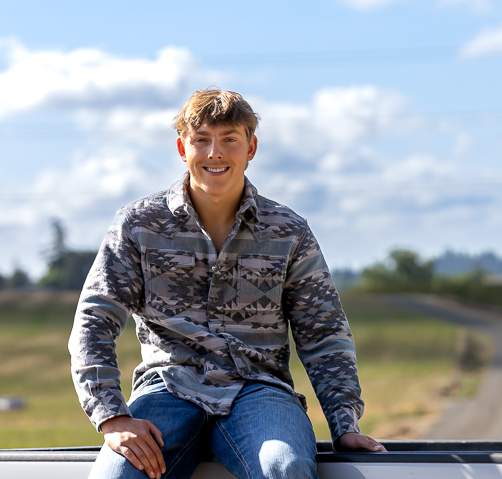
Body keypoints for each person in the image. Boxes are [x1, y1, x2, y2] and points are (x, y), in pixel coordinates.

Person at [69, 89, 385, 479]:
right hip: (167, 386)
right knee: (115, 476)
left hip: (259, 390)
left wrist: (345, 425)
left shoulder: (289, 231)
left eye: (229, 140)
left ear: (251, 148)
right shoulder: (138, 225)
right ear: (182, 148)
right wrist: (112, 416)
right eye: (201, 140)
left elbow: (323, 332)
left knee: (284, 466)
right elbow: (94, 320)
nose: (215, 153)